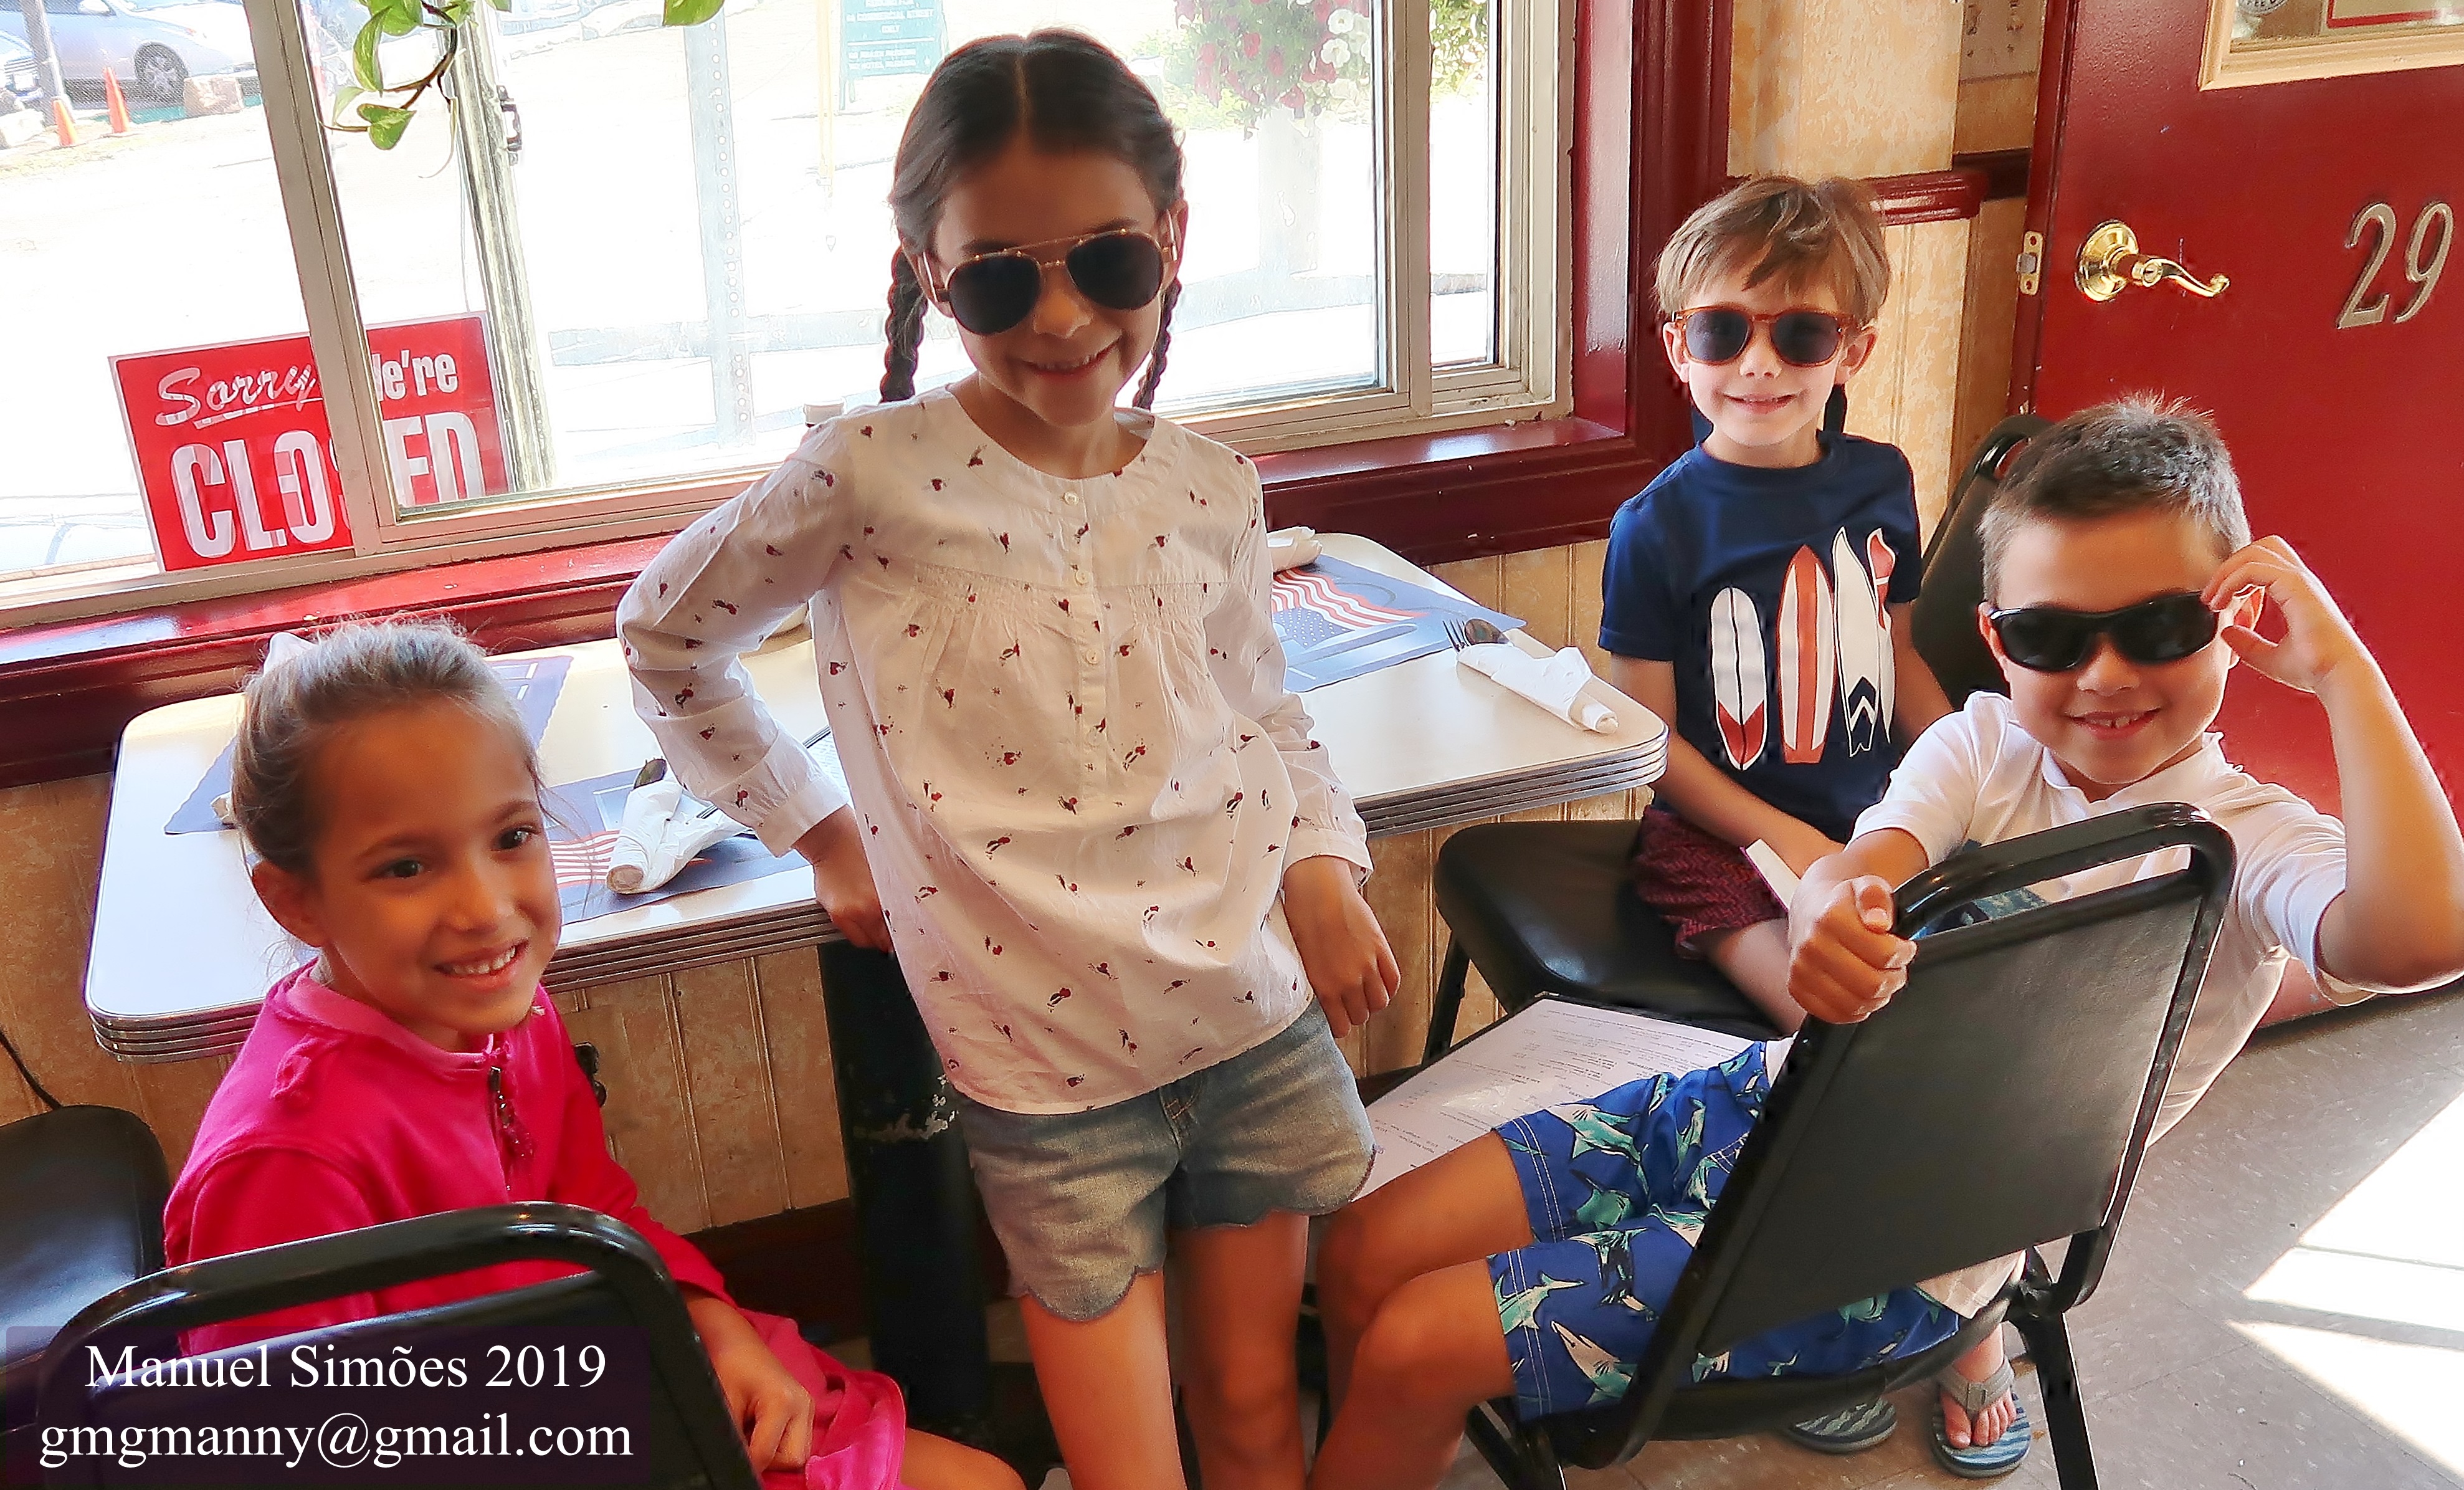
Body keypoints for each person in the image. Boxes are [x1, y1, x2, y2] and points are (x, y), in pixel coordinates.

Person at [1310, 399, 2464, 1487]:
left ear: (2232, 621)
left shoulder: (2244, 838)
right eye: (2051, 637)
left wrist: (2344, 676)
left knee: (1418, 1342)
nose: (2105, 675)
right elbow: (1864, 863)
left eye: (2159, 626)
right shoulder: (1982, 745)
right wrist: (1833, 916)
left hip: (1894, 1248)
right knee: (1362, 1249)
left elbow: (2426, 938)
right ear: (1996, 641)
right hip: (1762, 1100)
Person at [616, 31, 1399, 1490]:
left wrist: (1320, 861)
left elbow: (1263, 710)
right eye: (996, 277)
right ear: (928, 270)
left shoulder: (1211, 485)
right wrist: (815, 827)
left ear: (1172, 238)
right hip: (1044, 1075)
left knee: (1253, 1411)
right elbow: (667, 635)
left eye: (1107, 259)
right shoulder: (867, 475)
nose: (1060, 317)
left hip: (1251, 1016)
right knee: (1129, 1468)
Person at [163, 623, 1020, 1490]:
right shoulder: (285, 1165)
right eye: (407, 868)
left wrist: (713, 1326)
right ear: (296, 902)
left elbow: (596, 1212)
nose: (485, 910)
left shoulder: (505, 1017)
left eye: (511, 838)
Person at [1599, 174, 1952, 1038]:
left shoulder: (1884, 481)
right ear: (1680, 349)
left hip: (1879, 819)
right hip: (1725, 844)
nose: (1758, 364)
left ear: (1852, 351)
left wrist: (1967, 768)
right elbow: (1654, 748)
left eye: (1801, 335)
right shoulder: (1654, 529)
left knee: (1974, 991)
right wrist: (1794, 842)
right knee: (1833, 1025)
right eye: (1723, 332)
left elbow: (1898, 652)